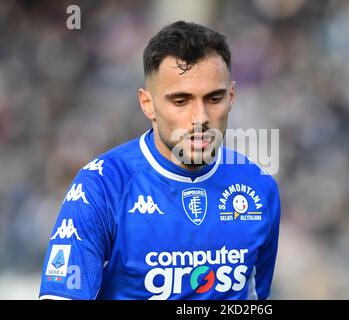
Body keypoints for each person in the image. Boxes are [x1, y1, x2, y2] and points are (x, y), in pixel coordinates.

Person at [39, 21, 281, 300]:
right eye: (181, 101)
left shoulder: (259, 187)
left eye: (214, 98)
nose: (200, 117)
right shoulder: (102, 185)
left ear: (231, 97)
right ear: (147, 104)